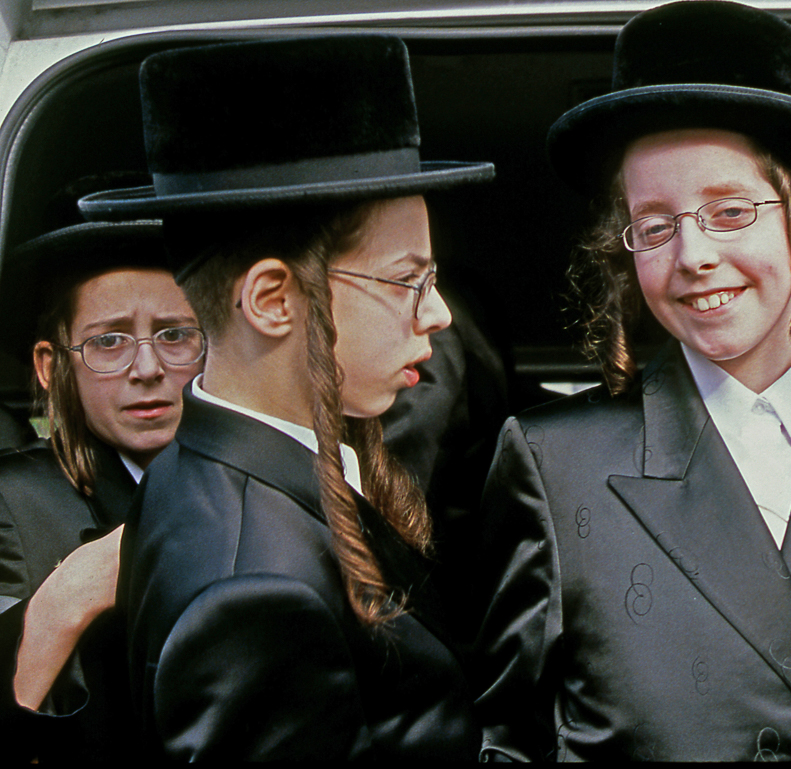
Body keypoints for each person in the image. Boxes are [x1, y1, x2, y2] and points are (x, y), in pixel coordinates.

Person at [472, 2, 791, 761]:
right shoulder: (554, 461)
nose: (692, 252)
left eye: (729, 211)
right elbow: (509, 738)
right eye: (655, 225)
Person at [79, 35, 494, 759]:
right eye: (408, 280)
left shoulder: (204, 473)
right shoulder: (255, 596)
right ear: (274, 298)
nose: (440, 315)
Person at [0, 220, 203, 760]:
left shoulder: (250, 486)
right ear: (50, 365)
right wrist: (62, 606)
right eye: (108, 341)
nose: (148, 368)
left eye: (175, 334)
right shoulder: (14, 504)